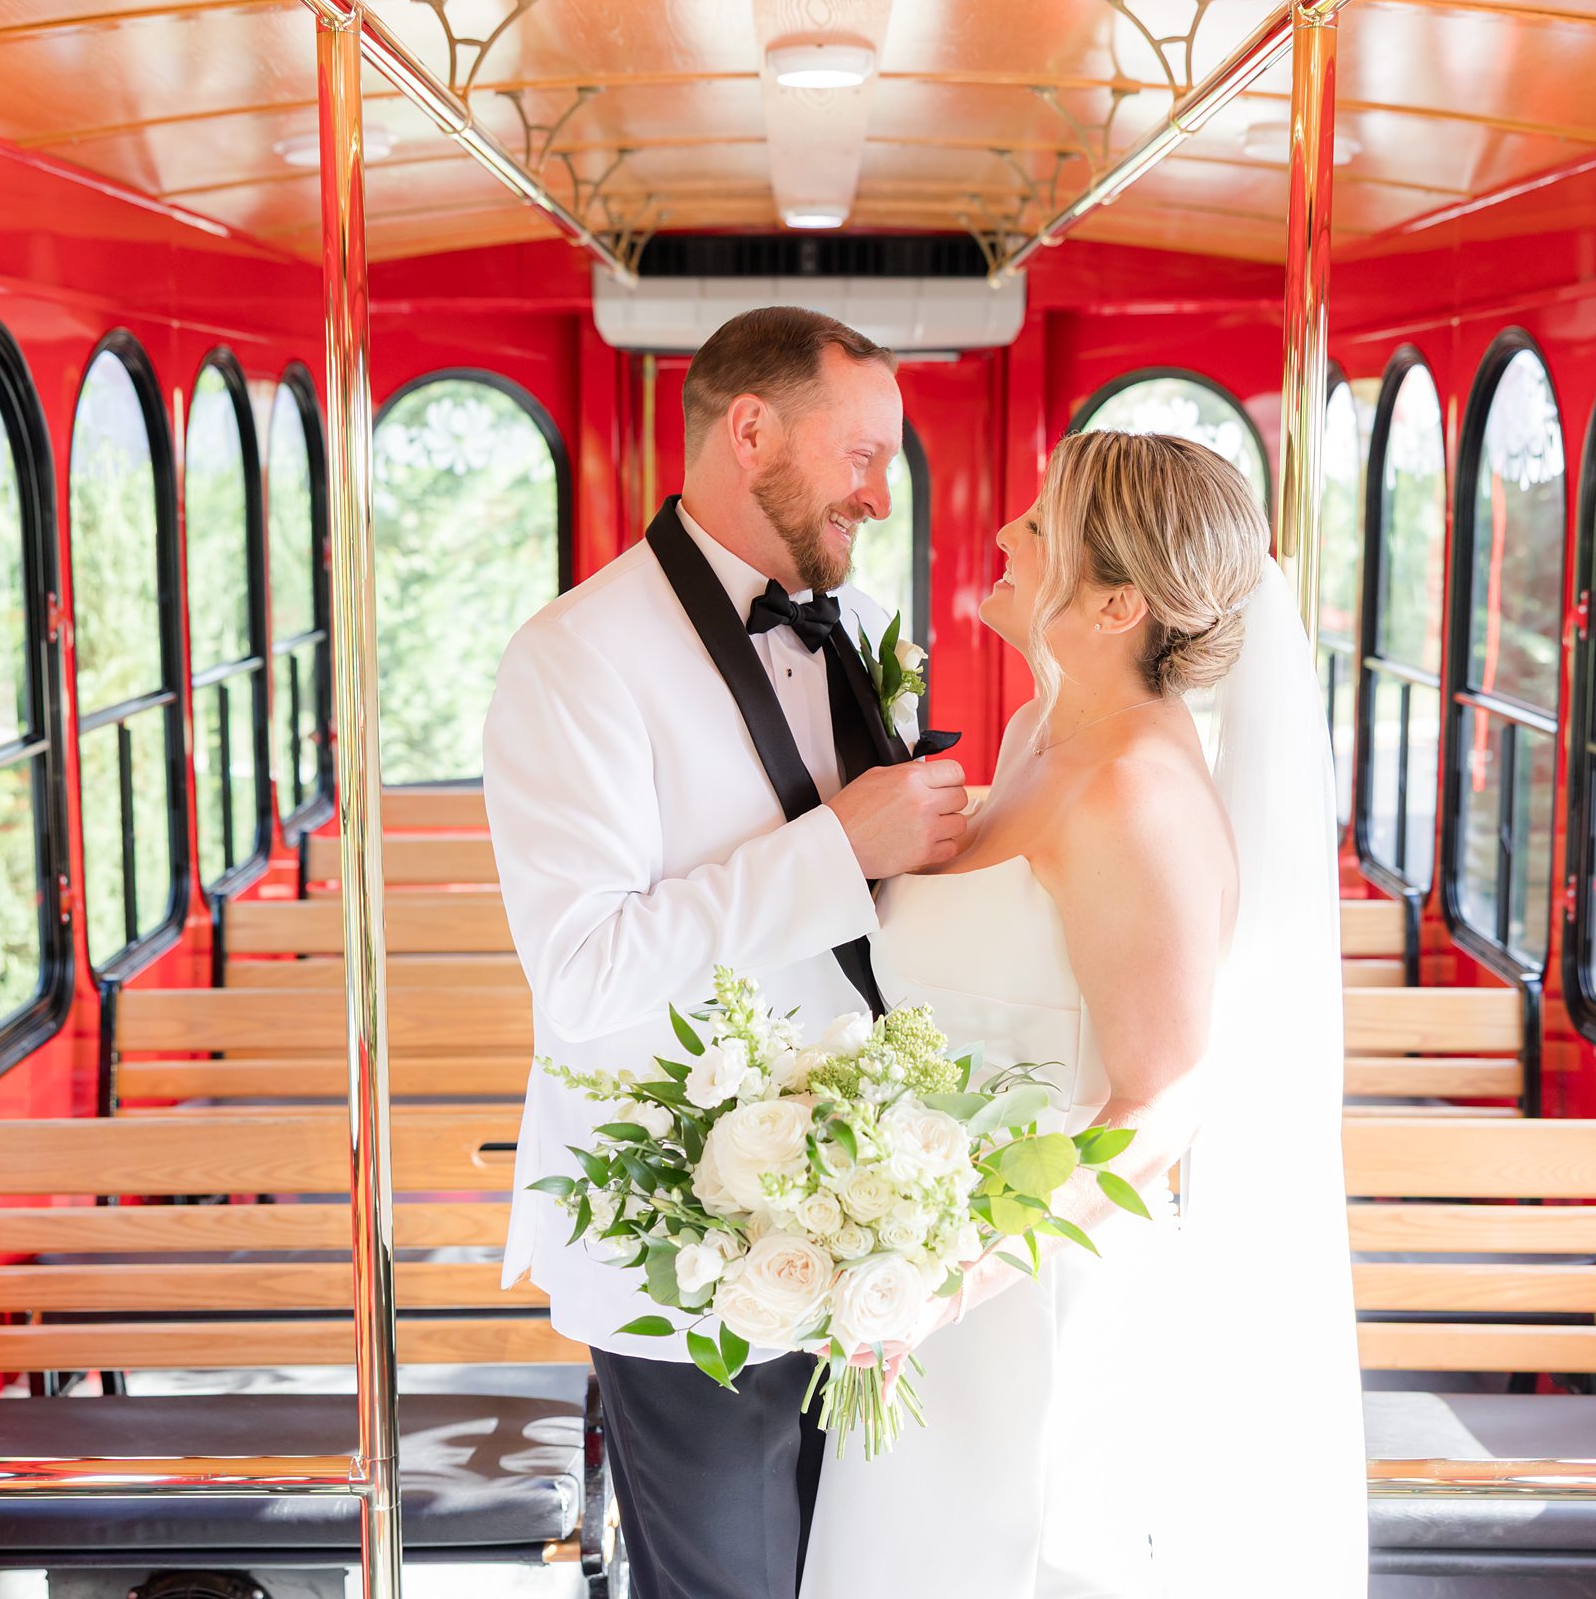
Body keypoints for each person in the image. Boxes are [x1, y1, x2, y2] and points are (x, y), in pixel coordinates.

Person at [798, 430, 1368, 1595]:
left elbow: (1160, 1103)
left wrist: (958, 1271)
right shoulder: (1038, 741)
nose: (1005, 534)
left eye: (1039, 526)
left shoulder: (1136, 798)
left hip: (1030, 1300)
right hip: (928, 1278)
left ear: (1115, 604)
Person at [483, 305, 968, 1599]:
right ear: (749, 432)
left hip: (875, 1223)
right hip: (680, 1236)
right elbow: (582, 972)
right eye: (860, 454)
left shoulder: (868, 624)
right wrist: (835, 847)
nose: (879, 494)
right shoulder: (573, 661)